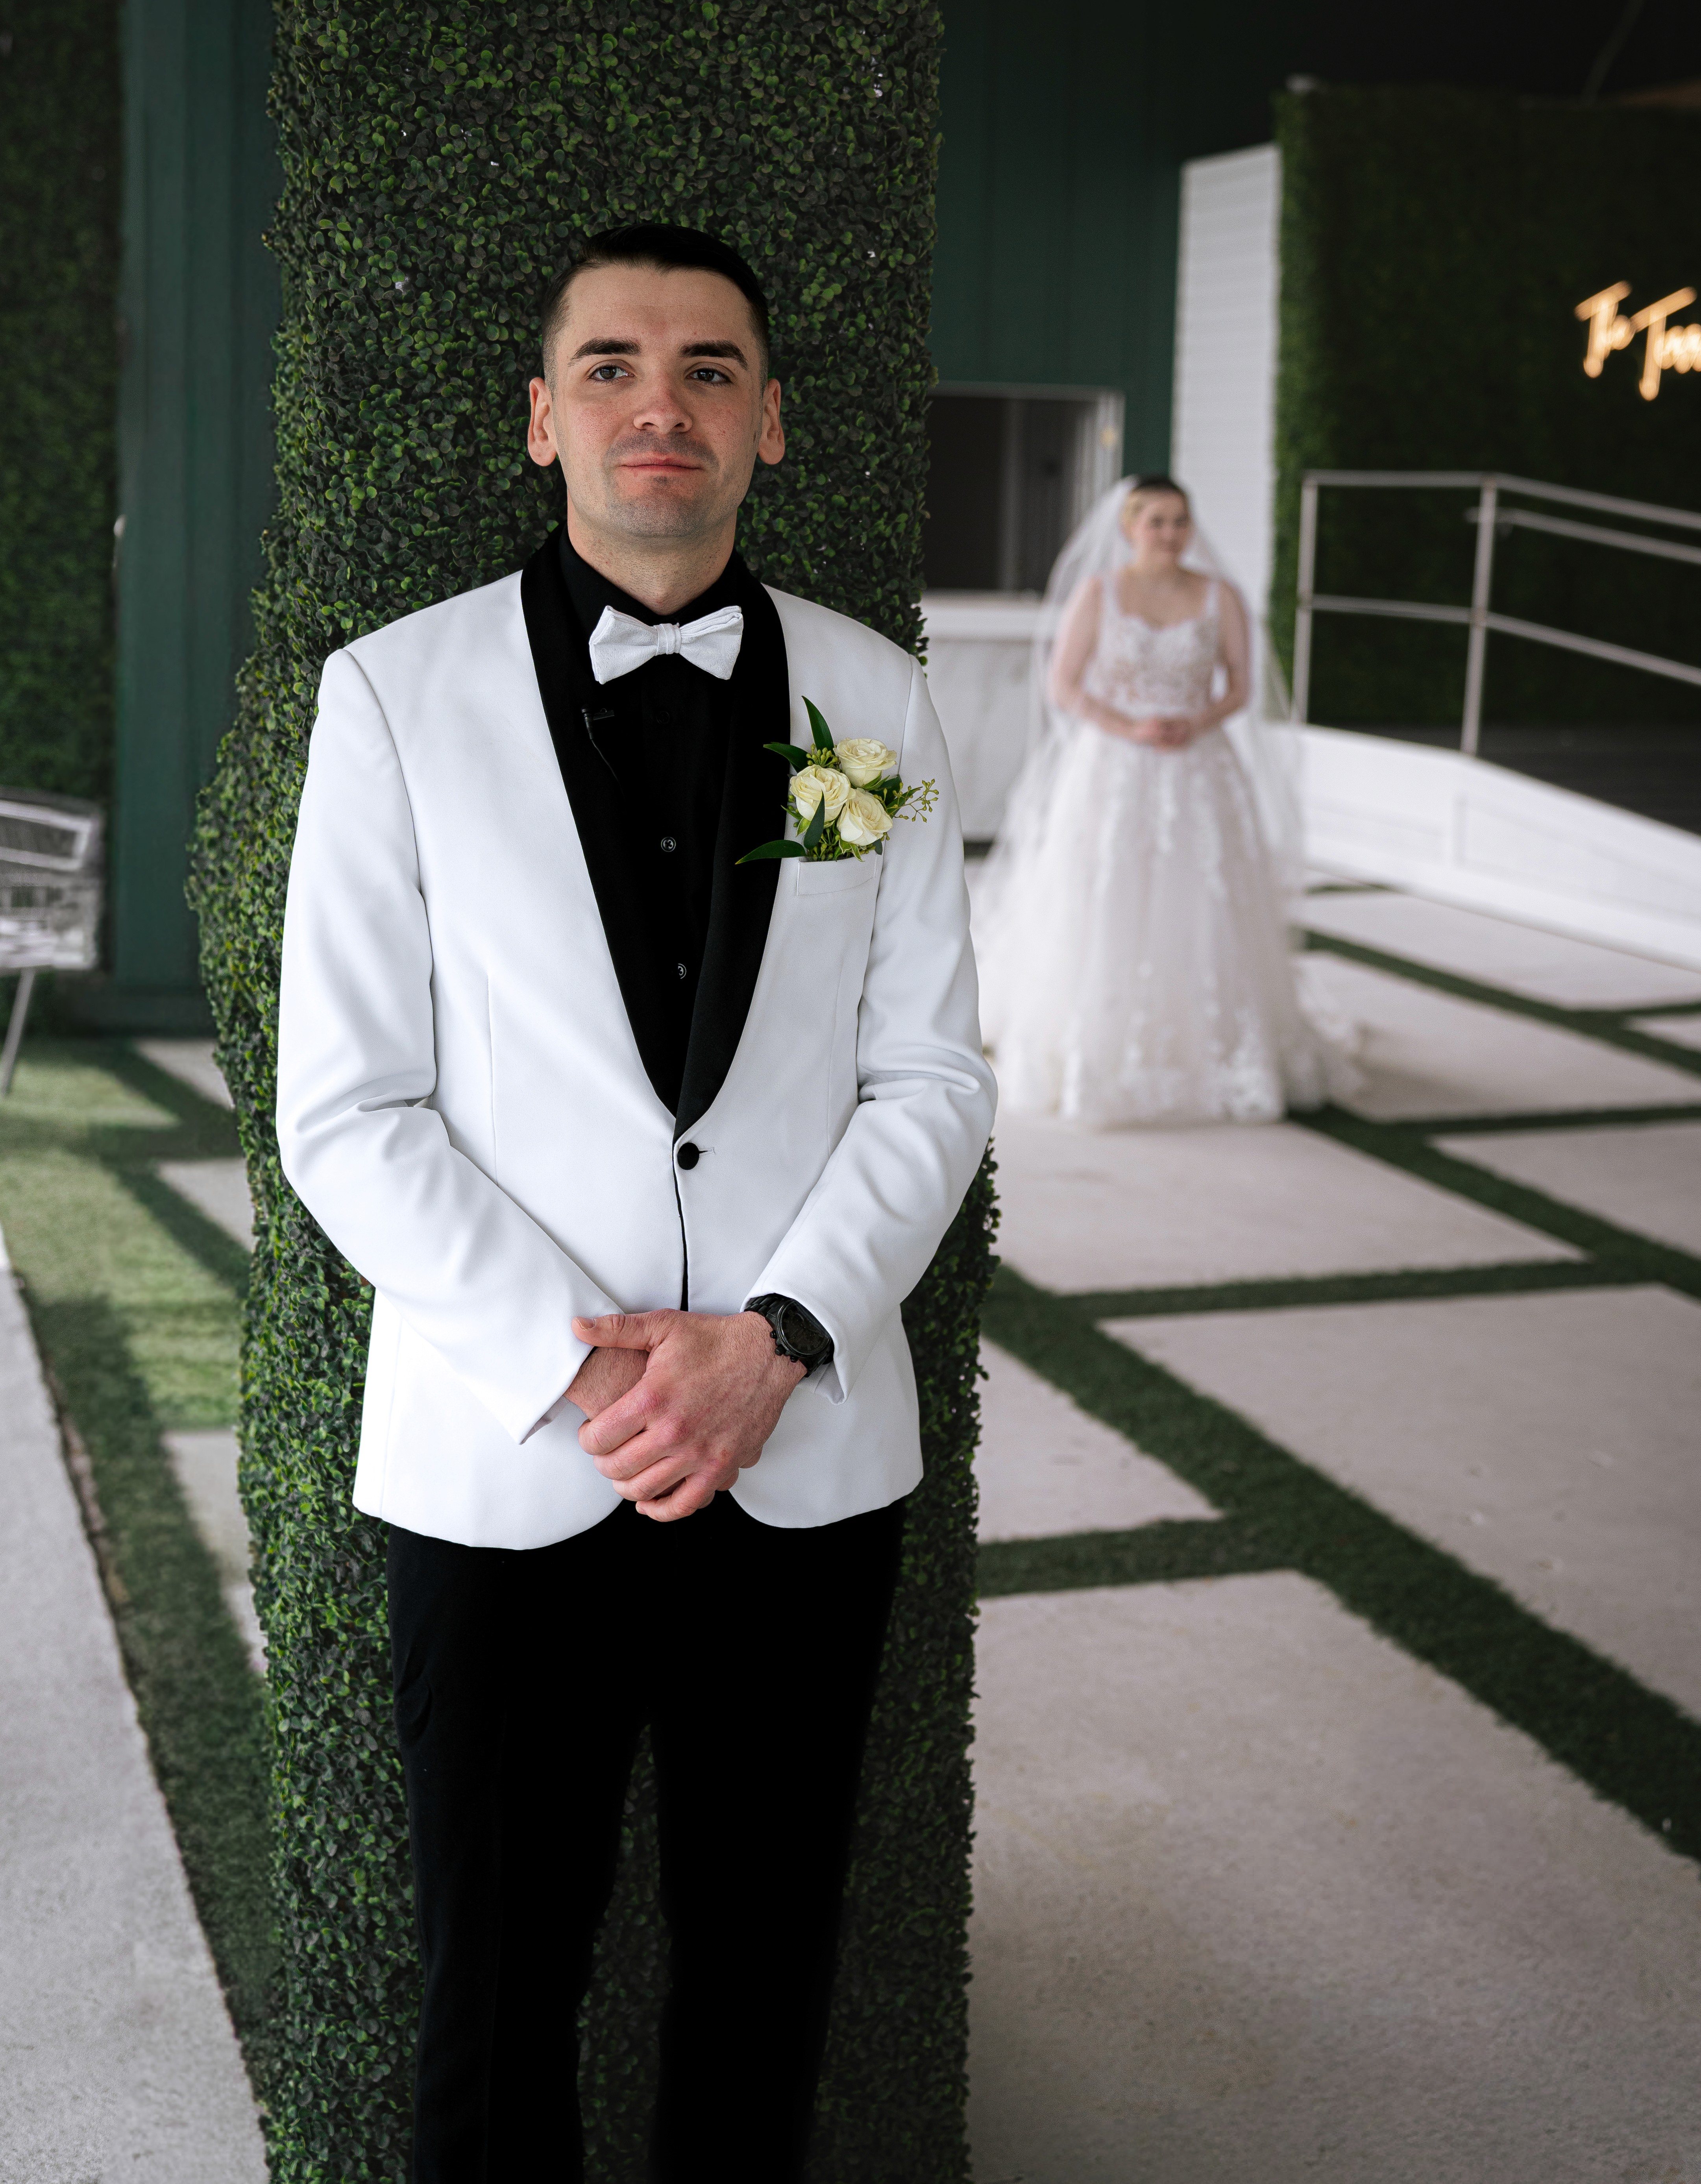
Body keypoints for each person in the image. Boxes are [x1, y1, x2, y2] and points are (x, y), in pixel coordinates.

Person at [274, 221, 995, 2183]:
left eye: (702, 367)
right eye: (608, 365)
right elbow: (347, 1106)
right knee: (492, 2001)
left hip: (800, 1443)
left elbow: (927, 1071)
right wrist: (592, 1370)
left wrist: (768, 1343)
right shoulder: (394, 697)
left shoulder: (865, 701)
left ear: (765, 421)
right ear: (540, 417)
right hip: (511, 1459)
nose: (654, 403)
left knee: (763, 1985)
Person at [978, 473, 1339, 1128]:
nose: (1170, 534)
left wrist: (1193, 723)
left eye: (1180, 521)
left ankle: (1216, 1048)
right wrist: (1131, 728)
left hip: (1200, 768)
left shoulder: (1221, 596)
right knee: (1107, 894)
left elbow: (1239, 686)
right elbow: (1062, 685)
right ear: (1130, 528)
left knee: (1202, 902)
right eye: (1157, 522)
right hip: (1113, 766)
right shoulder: (1099, 593)